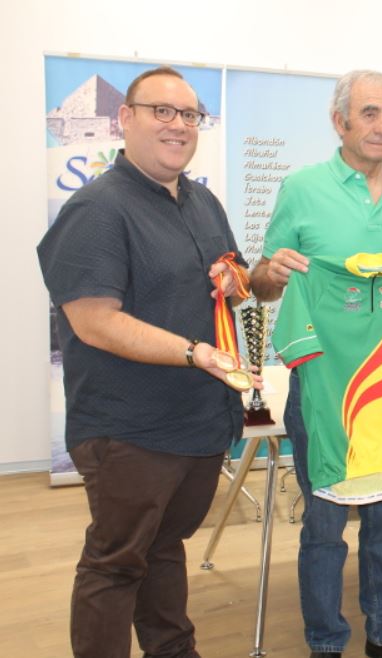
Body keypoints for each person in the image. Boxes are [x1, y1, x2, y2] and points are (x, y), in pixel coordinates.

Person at [37, 66, 256, 658]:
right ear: (124, 119)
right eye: (162, 111)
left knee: (163, 547)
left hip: (199, 420)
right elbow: (94, 320)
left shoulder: (202, 201)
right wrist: (193, 353)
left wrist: (242, 278)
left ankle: (174, 650)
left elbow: (231, 279)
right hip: (130, 429)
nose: (178, 125)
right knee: (115, 564)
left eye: (189, 115)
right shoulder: (96, 209)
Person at [250, 69, 382, 658]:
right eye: (370, 113)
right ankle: (325, 642)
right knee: (325, 526)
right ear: (339, 120)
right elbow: (260, 283)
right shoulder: (302, 188)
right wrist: (272, 272)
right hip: (324, 387)